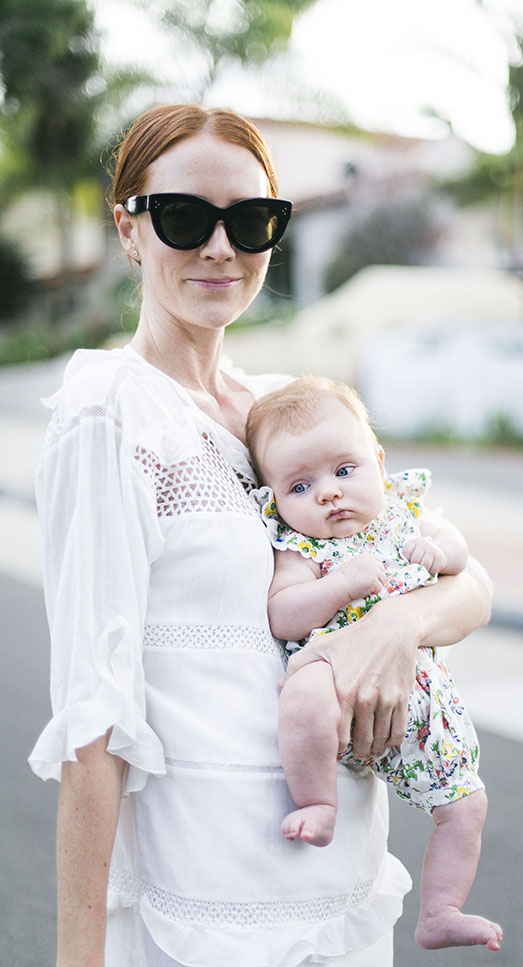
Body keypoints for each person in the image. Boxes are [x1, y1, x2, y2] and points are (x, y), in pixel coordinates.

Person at [28, 103, 493, 967]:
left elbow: (466, 583)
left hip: (339, 884)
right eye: (183, 217)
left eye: (250, 221)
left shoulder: (287, 412)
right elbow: (94, 713)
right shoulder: (110, 413)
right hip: (210, 902)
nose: (219, 248)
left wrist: (391, 629)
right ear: (128, 230)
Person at [246, 376, 503, 952]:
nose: (329, 494)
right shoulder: (300, 549)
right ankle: (318, 801)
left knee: (468, 806)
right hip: (335, 687)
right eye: (300, 485)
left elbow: (462, 561)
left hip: (421, 702)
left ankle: (440, 910)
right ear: (274, 499)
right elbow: (284, 615)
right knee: (303, 691)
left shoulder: (406, 516)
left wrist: (442, 552)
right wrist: (338, 584)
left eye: (344, 471)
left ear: (379, 462)